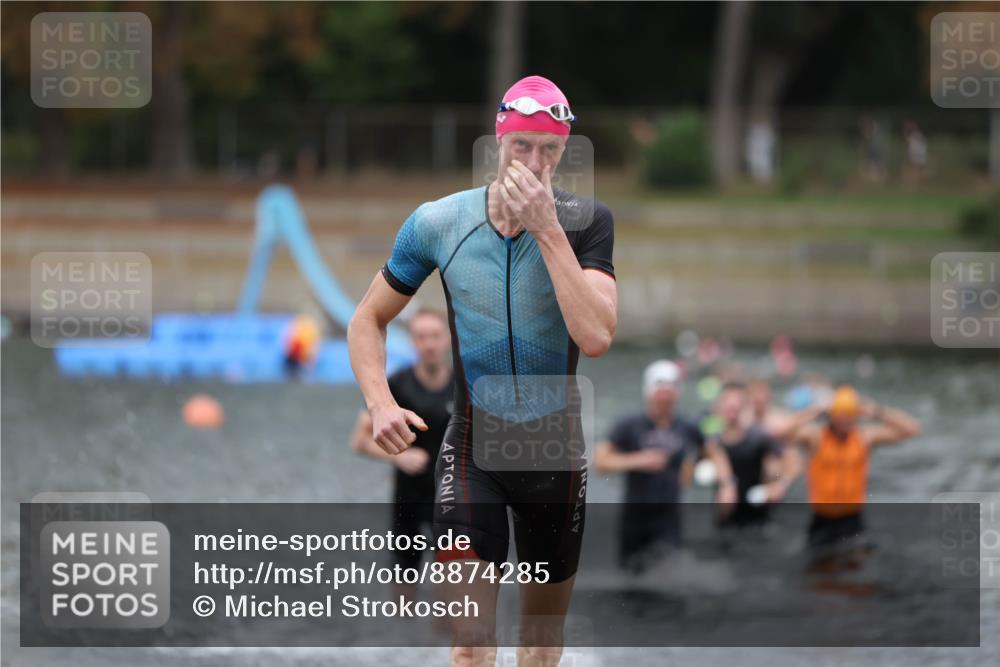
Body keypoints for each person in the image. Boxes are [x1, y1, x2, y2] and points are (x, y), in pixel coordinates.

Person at [347, 75, 616, 667]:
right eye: (522, 144)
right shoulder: (439, 222)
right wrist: (380, 404)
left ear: (564, 151)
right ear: (499, 140)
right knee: (471, 644)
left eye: (549, 149)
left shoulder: (587, 222)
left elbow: (596, 335)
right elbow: (367, 320)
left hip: (554, 455)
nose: (535, 161)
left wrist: (547, 229)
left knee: (540, 648)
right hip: (472, 451)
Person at [350, 307, 454, 600]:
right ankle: (401, 645)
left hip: (450, 501)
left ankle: (441, 643)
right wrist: (399, 457)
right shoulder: (394, 386)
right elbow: (359, 440)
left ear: (447, 339)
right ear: (413, 342)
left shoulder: (465, 387)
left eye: (435, 336)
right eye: (422, 337)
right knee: (404, 588)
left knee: (451, 587)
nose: (429, 344)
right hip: (408, 498)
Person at [594, 360, 704, 572]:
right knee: (631, 575)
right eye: (659, 389)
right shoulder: (629, 424)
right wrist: (638, 460)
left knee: (669, 573)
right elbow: (600, 462)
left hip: (669, 515)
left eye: (669, 389)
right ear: (648, 392)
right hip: (635, 514)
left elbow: (711, 452)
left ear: (677, 392)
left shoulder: (688, 426)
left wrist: (720, 479)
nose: (664, 396)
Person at [788, 385, 921, 551]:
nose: (845, 419)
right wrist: (814, 411)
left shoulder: (864, 438)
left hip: (853, 520)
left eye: (850, 413)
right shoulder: (815, 437)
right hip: (822, 520)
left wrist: (877, 411)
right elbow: (782, 432)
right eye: (841, 413)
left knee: (856, 570)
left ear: (857, 415)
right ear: (832, 414)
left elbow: (912, 429)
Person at [705, 382, 802, 530]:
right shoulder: (713, 441)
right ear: (720, 407)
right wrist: (725, 485)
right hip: (726, 518)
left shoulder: (758, 437)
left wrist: (778, 484)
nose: (732, 409)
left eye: (736, 405)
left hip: (758, 518)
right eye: (728, 404)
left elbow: (791, 462)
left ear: (744, 407)